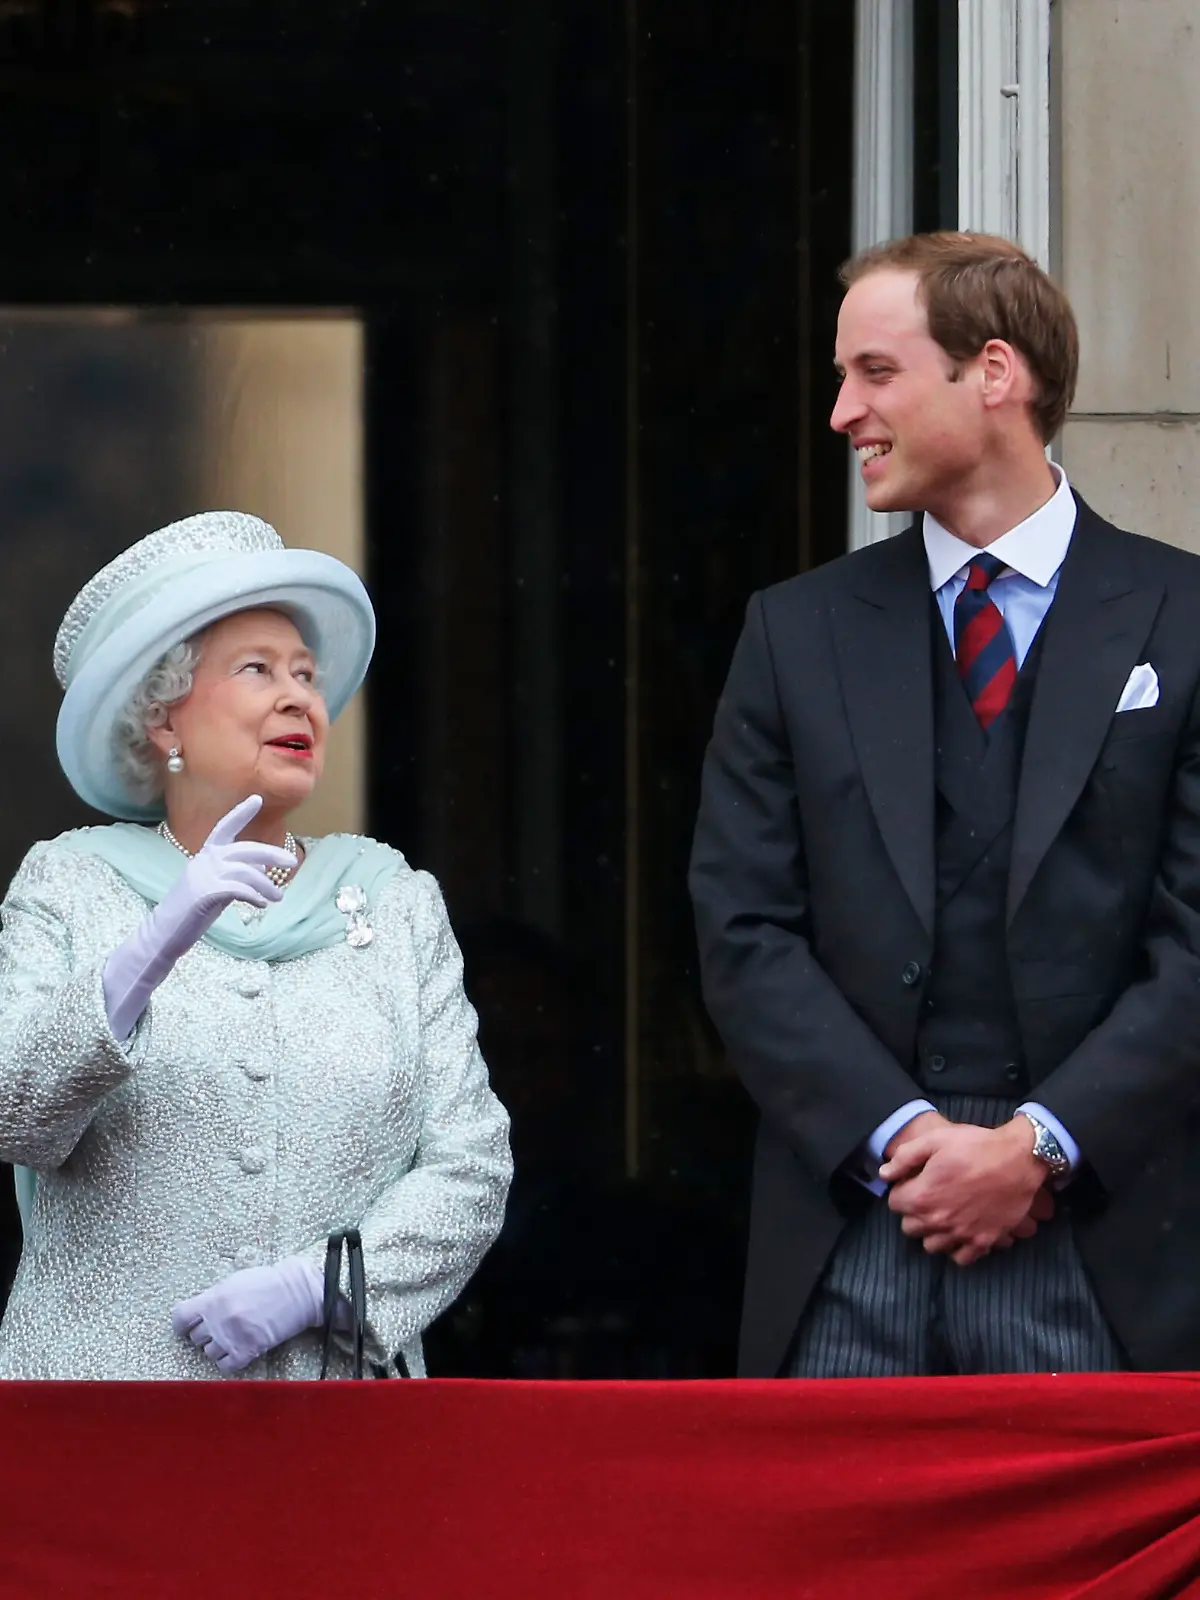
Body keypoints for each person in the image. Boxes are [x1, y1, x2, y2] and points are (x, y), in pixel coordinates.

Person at [690, 231, 1200, 1378]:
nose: (841, 413)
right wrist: (908, 1141)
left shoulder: (1184, 617)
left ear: (995, 374)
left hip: (1106, 1234)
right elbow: (741, 926)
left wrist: (1041, 1147)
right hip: (856, 1220)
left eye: (874, 373)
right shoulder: (794, 631)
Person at [0, 511, 512, 1379]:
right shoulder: (71, 884)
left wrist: (321, 1287)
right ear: (163, 719)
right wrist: (149, 947)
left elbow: (472, 1165)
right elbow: (15, 1112)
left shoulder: (396, 904)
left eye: (306, 675)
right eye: (257, 670)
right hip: (107, 1414)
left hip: (334, 1417)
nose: (299, 697)